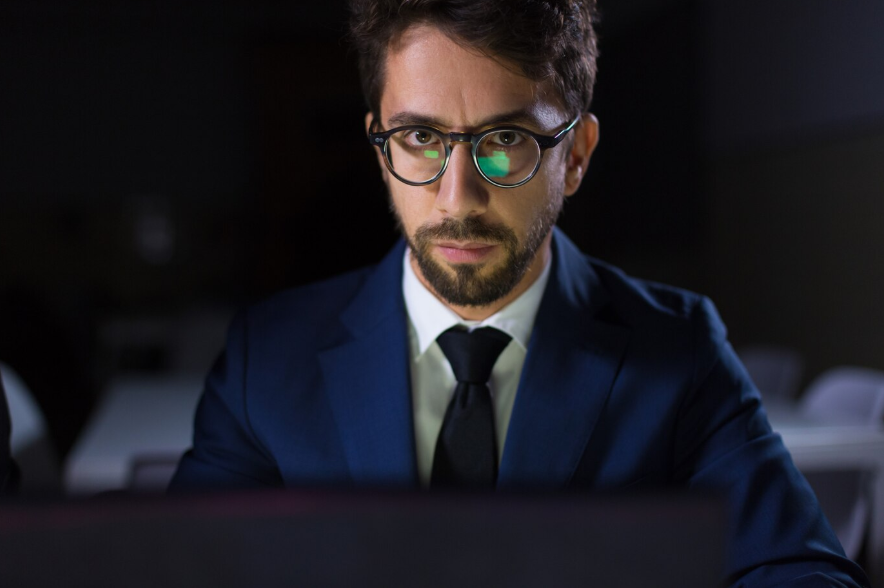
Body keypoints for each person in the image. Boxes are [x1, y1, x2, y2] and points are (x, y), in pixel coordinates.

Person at [171, 0, 868, 584]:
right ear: (380, 148)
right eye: (419, 137)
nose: (457, 195)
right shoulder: (269, 355)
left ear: (578, 156)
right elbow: (187, 567)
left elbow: (802, 573)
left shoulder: (677, 349)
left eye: (505, 138)